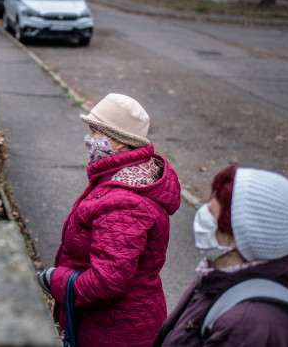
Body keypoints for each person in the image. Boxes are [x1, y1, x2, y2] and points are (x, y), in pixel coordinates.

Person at [37, 93, 181, 346]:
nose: (87, 139)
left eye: (94, 132)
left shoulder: (125, 202)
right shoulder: (115, 178)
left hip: (116, 331)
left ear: (119, 143)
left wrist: (55, 280)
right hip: (112, 324)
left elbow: (106, 282)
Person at [153, 166, 288, 346]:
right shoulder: (219, 270)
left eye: (211, 212)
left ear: (239, 236)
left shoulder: (247, 326)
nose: (202, 214)